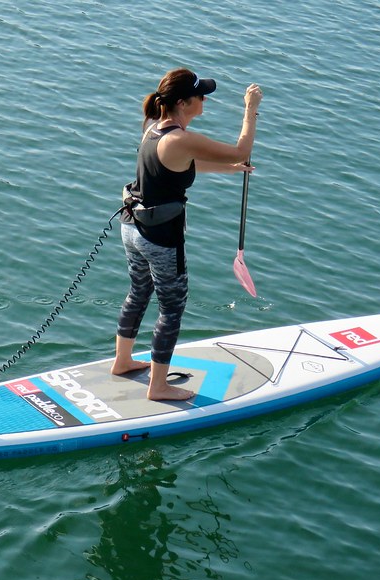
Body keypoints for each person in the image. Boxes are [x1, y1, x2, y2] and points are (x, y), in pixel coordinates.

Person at [112, 68, 262, 401]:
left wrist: (229, 170)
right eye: (200, 96)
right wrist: (250, 110)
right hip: (160, 238)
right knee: (172, 308)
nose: (205, 100)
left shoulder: (154, 128)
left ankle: (122, 362)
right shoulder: (182, 138)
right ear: (183, 102)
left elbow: (181, 165)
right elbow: (240, 149)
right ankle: (159, 387)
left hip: (132, 227)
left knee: (138, 293)